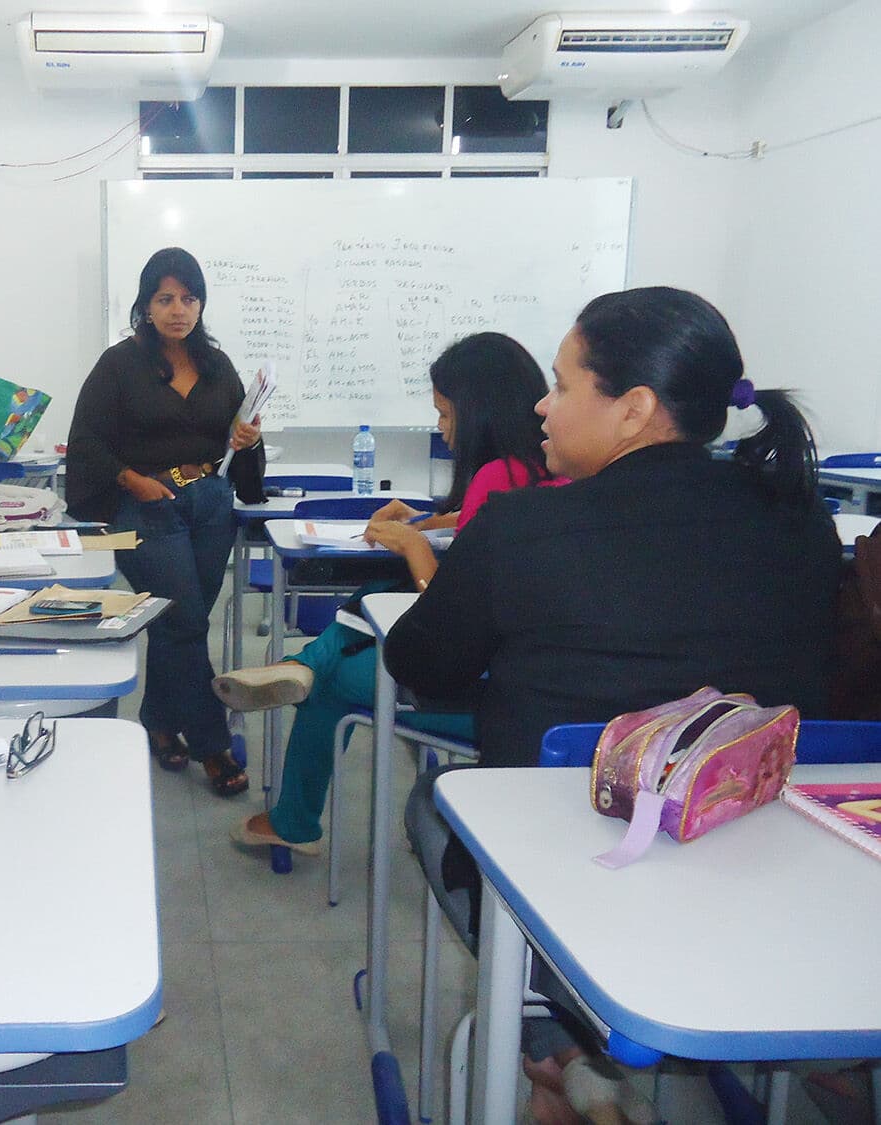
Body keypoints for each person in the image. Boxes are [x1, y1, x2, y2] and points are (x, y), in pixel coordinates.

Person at [385, 288, 840, 1124]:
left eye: (559, 384)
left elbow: (422, 665)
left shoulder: (523, 525)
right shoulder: (803, 520)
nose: (540, 405)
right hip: (769, 880)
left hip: (571, 888)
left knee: (435, 802)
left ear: (633, 410)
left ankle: (549, 1047)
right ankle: (584, 1059)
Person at [216, 332, 564, 853]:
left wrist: (413, 546)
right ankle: (306, 668)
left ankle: (295, 814)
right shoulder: (539, 470)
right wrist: (428, 522)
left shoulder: (498, 475)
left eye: (446, 415)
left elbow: (452, 609)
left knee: (339, 675)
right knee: (378, 592)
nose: (442, 429)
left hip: (484, 691)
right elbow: (483, 533)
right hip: (522, 677)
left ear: (481, 412)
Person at [66, 246, 265, 796]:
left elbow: (236, 435)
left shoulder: (217, 364)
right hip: (143, 507)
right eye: (166, 298)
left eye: (189, 297)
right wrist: (132, 480)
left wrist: (246, 438)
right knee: (183, 622)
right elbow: (85, 441)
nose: (179, 309)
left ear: (201, 303)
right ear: (146, 304)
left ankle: (157, 719)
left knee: (181, 620)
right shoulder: (118, 364)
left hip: (209, 506)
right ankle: (212, 743)